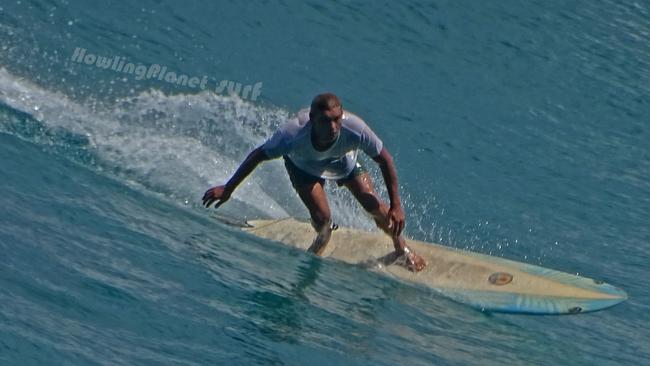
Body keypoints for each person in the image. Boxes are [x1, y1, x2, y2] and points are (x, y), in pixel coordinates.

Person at [202, 93, 426, 272]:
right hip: (304, 168)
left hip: (343, 163)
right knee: (323, 220)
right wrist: (228, 189)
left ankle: (401, 250)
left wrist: (396, 205)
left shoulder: (355, 129)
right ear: (312, 118)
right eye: (325, 121)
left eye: (337, 119)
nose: (333, 127)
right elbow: (257, 156)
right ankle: (316, 250)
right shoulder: (291, 135)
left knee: (375, 206)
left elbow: (385, 160)